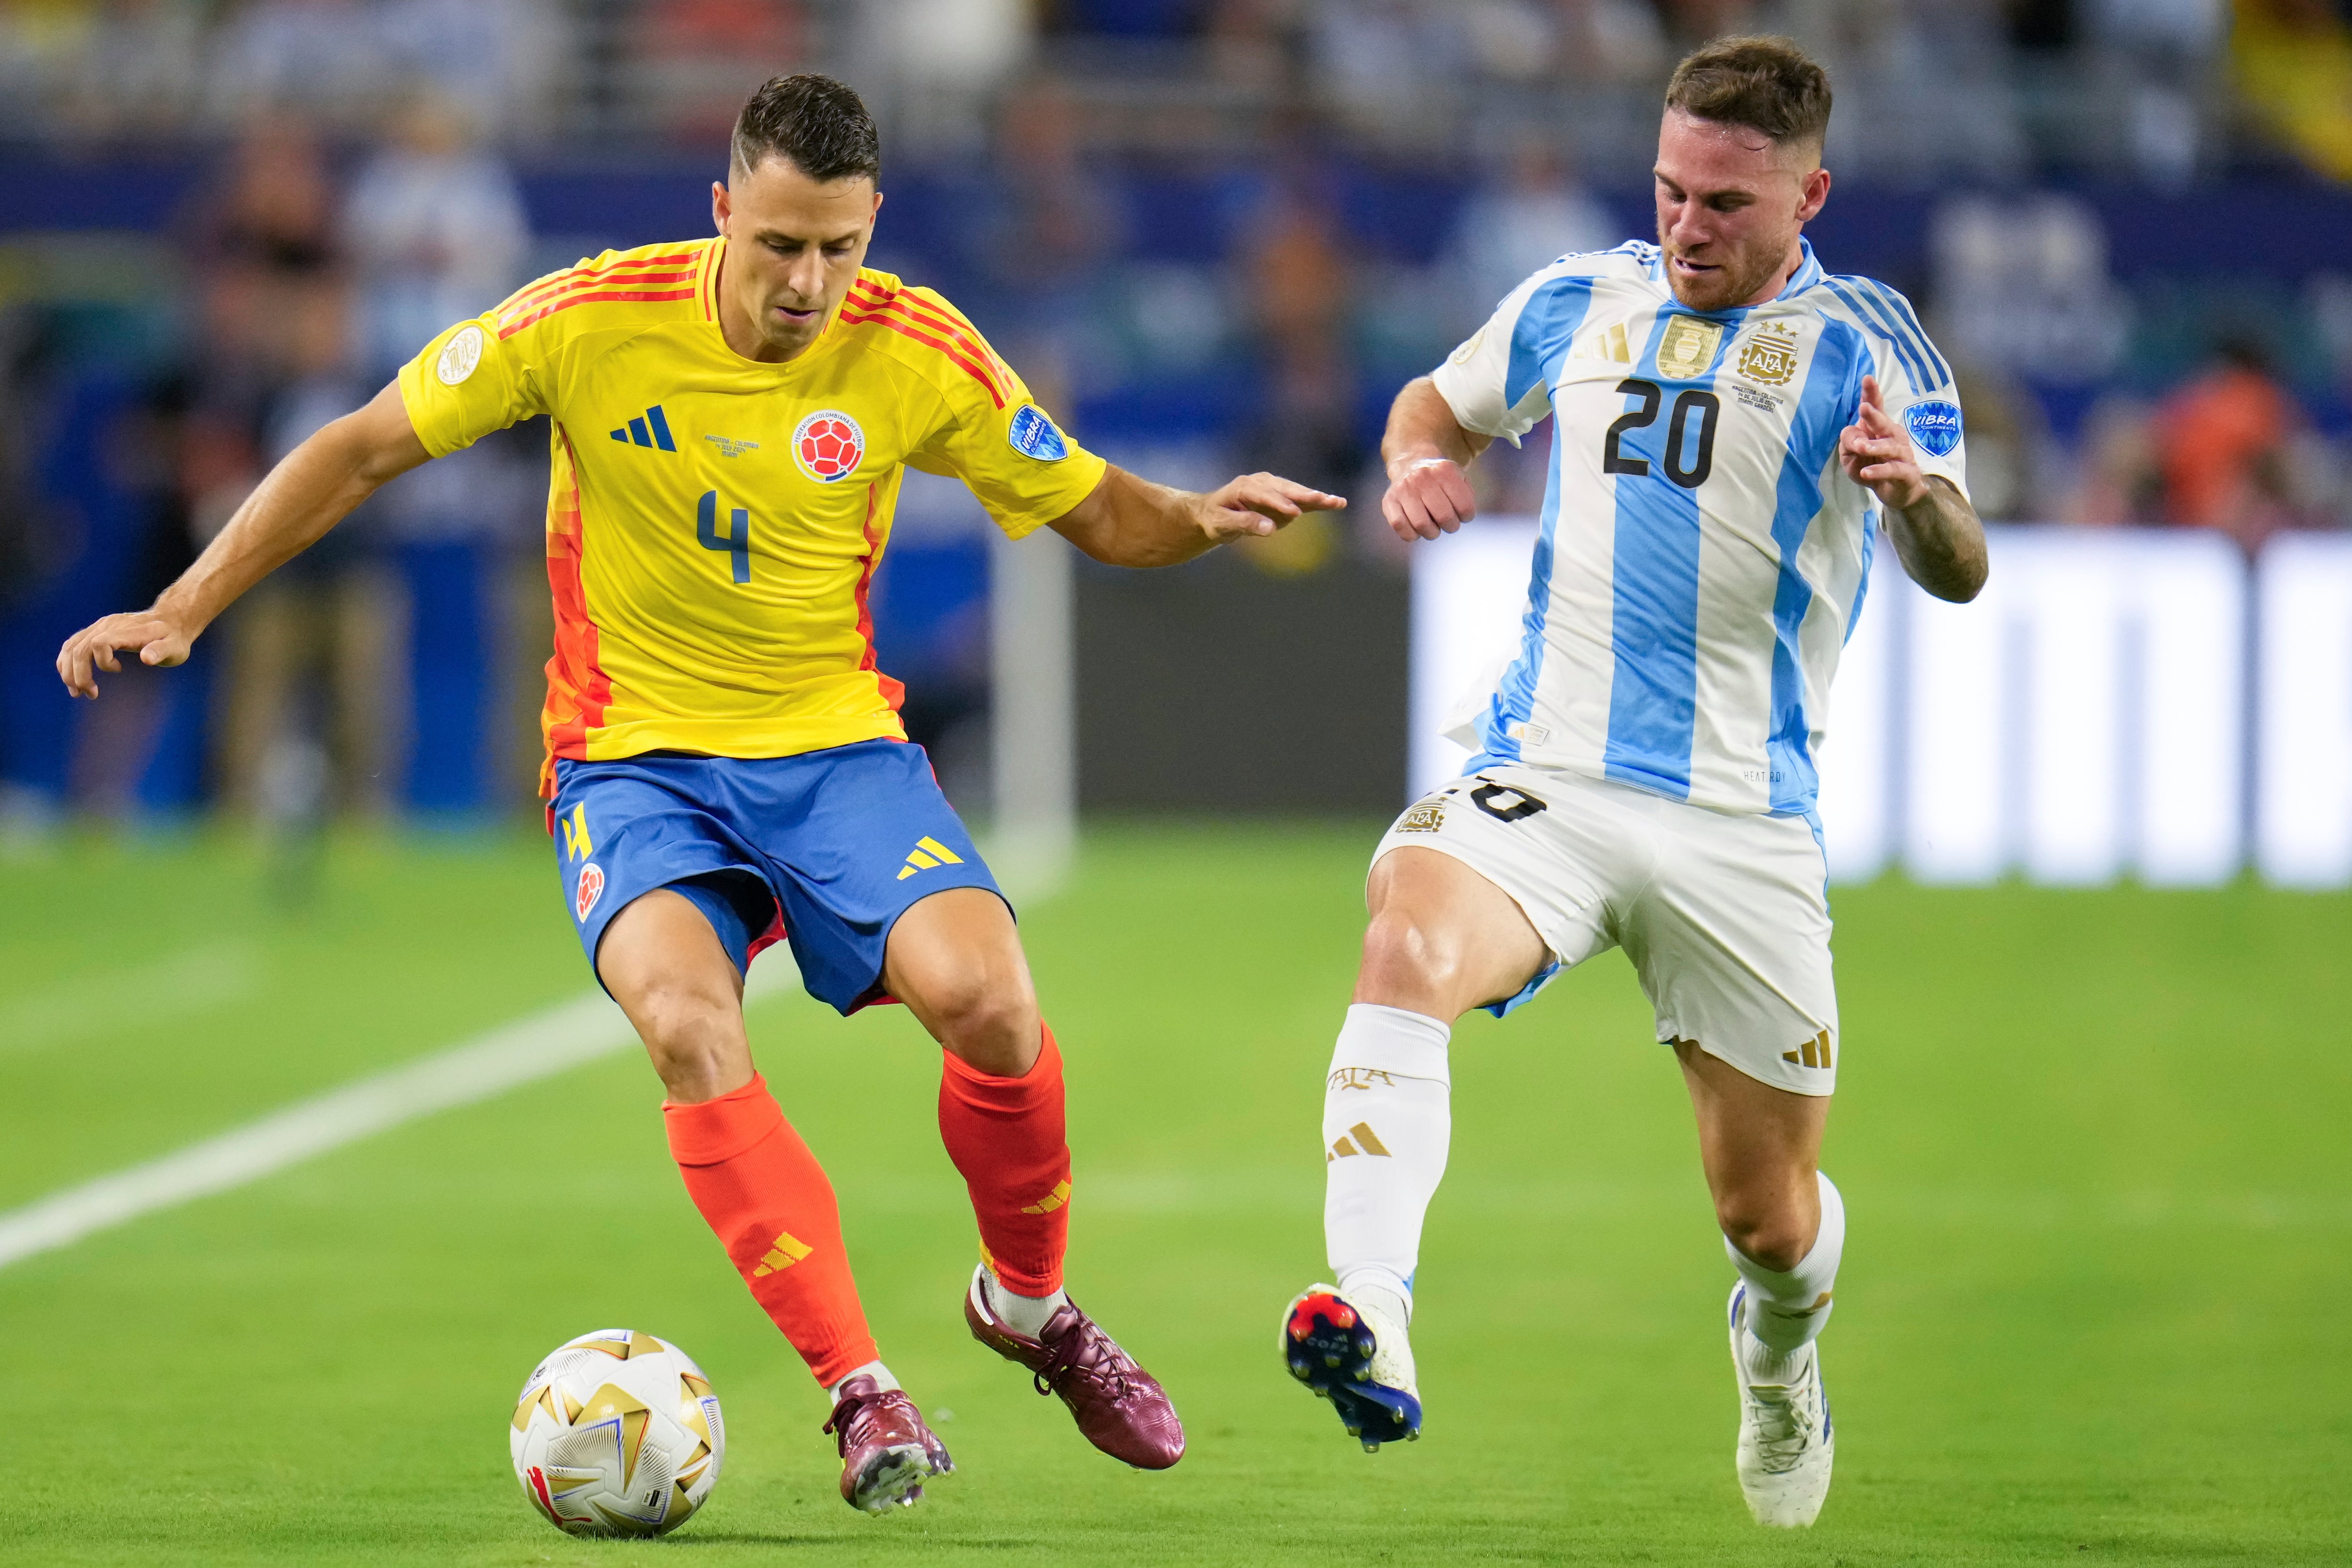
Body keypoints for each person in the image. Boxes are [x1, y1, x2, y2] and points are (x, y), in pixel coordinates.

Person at [59, 73, 1344, 1518]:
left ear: (873, 229)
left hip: (838, 754)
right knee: (686, 1019)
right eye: (781, 244)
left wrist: (1197, 518)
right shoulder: (583, 321)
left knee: (992, 1005)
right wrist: (182, 603)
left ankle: (1031, 1311)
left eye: (839, 249)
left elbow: (1096, 508)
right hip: (634, 767)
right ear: (724, 209)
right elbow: (362, 444)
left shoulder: (919, 351)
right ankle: (862, 1394)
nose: (808, 283)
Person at [1278, 36, 1985, 1530]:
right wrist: (1416, 462)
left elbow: (1961, 568)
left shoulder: (1872, 344)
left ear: (1810, 195)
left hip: (1742, 821)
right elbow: (1432, 401)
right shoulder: (1573, 301)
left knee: (1768, 1221)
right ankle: (1375, 1317)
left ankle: (1781, 1359)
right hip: (1553, 778)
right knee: (1404, 936)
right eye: (1670, 191)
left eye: (1726, 203)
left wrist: (1916, 495)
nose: (1687, 228)